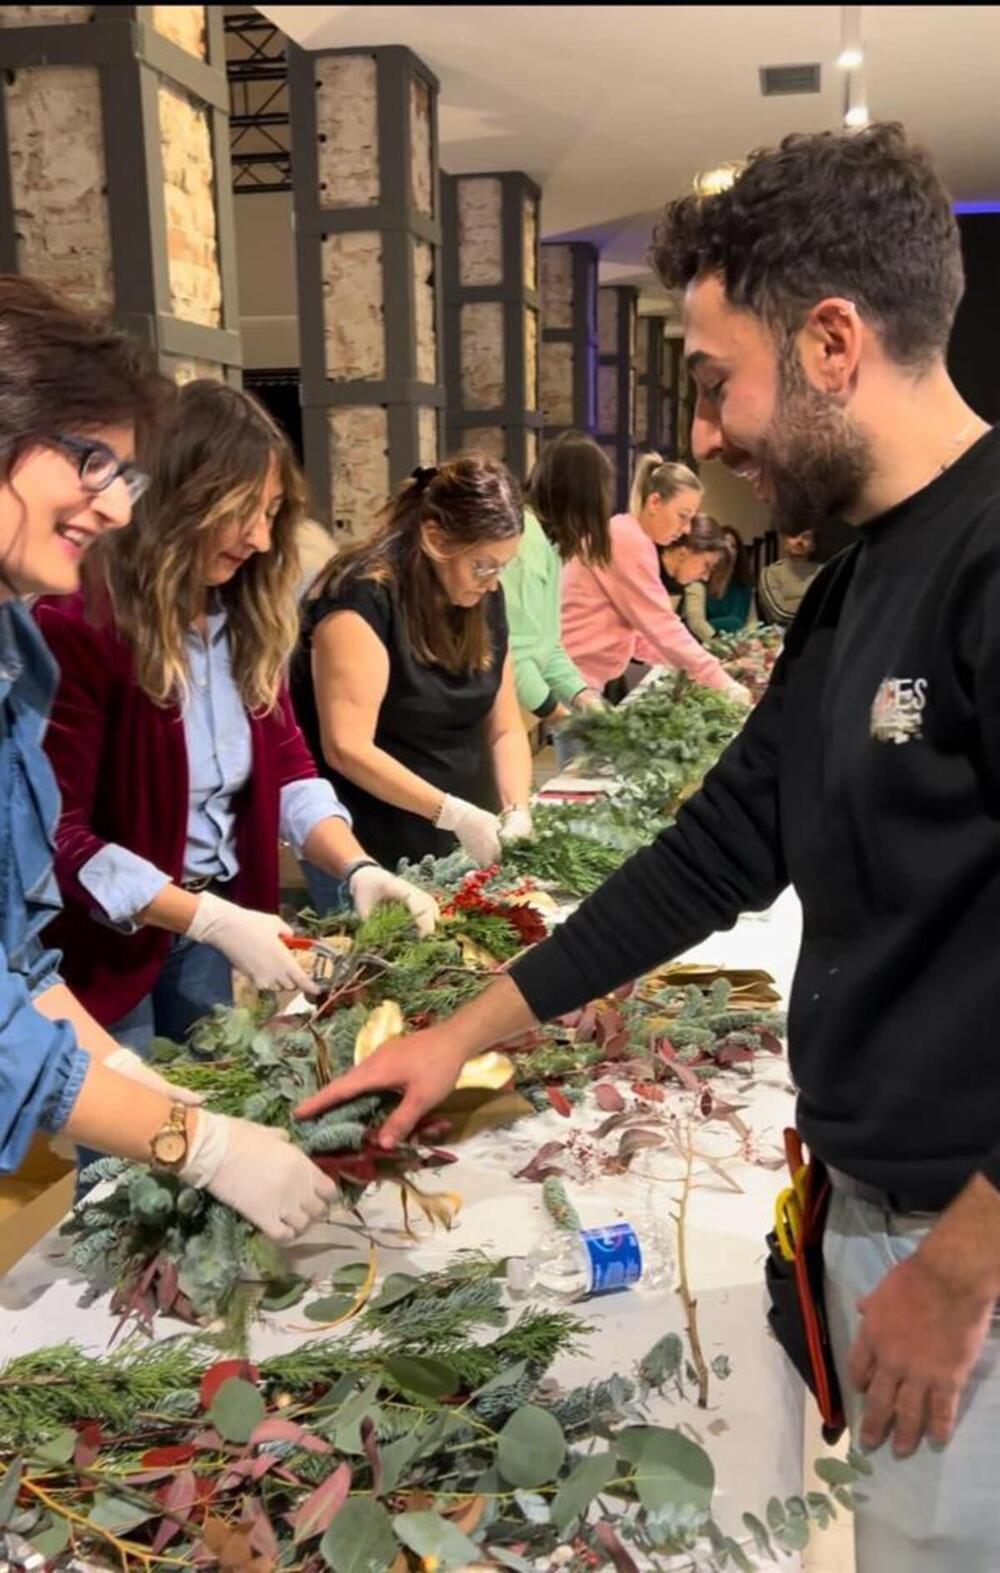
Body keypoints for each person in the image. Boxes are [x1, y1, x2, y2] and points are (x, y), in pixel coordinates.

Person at [298, 124, 1000, 1568]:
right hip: (895, 1216)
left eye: (715, 381)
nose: (710, 433)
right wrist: (462, 1032)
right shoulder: (859, 577)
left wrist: (961, 1259)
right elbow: (714, 852)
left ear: (828, 343)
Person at [0, 275, 335, 1242]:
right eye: (91, 461)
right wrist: (192, 1137)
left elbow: (18, 966)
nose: (110, 505)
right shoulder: (73, 629)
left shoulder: (22, 646)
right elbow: (59, 856)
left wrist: (147, 1096)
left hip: (165, 943)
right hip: (120, 941)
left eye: (125, 475)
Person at [36, 380, 437, 1055]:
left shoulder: (242, 619)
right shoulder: (81, 627)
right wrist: (211, 918)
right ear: (178, 499)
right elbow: (59, 837)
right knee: (129, 1141)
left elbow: (289, 772)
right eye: (240, 511)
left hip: (206, 931)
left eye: (272, 512)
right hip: (106, 948)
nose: (257, 537)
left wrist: (358, 866)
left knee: (210, 1109)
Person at [290, 456, 532, 902]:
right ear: (436, 539)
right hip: (373, 847)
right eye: (483, 565)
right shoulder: (361, 597)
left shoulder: (482, 598)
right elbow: (347, 748)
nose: (493, 582)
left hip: (461, 844)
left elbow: (505, 727)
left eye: (503, 566)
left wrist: (516, 808)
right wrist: (450, 812)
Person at [560, 452, 749, 703]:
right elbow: (662, 626)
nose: (686, 529)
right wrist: (720, 680)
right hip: (574, 679)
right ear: (655, 502)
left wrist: (692, 666)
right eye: (683, 516)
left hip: (581, 679)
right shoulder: (628, 538)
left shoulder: (628, 534)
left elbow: (639, 635)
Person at [501, 431, 607, 724]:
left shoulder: (547, 543)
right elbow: (516, 653)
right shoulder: (525, 544)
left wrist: (581, 694)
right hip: (496, 709)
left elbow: (546, 643)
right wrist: (560, 715)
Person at [682, 523, 758, 641]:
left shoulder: (744, 586)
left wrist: (749, 643)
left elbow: (752, 623)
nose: (729, 551)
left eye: (733, 546)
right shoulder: (699, 581)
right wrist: (718, 644)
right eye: (724, 546)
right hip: (705, 645)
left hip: (740, 647)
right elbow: (696, 623)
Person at [756, 525, 820, 626]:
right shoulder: (770, 573)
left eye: (806, 537)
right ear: (784, 541)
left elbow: (830, 610)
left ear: (813, 546)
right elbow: (779, 615)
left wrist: (790, 603)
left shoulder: (823, 571)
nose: (799, 541)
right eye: (794, 535)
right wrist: (813, 606)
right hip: (783, 637)